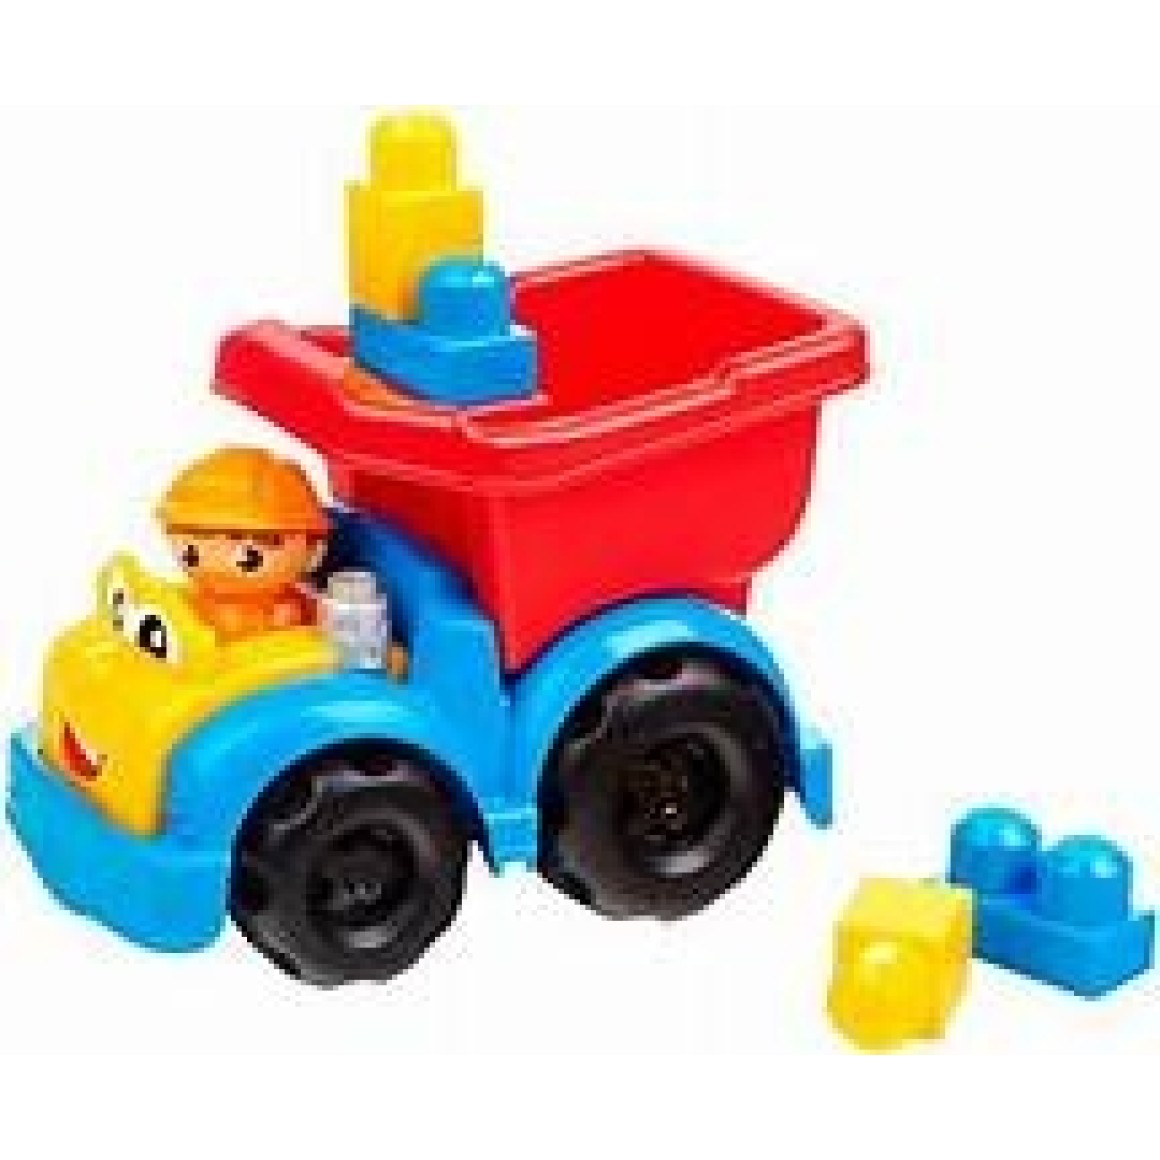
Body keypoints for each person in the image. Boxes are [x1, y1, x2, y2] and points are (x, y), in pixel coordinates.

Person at [157, 447, 330, 642]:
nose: (218, 568)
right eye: (190, 554)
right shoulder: (186, 599)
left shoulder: (295, 609)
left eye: (249, 557)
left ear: (312, 549)